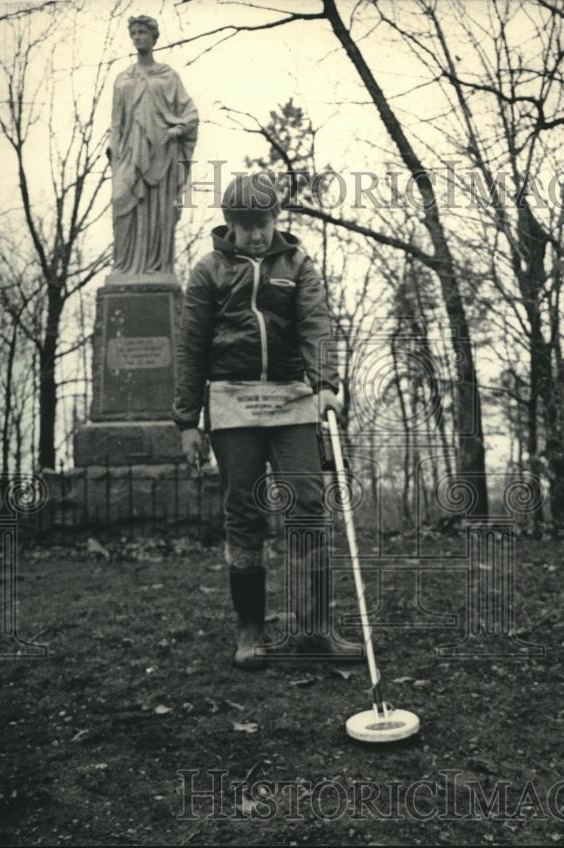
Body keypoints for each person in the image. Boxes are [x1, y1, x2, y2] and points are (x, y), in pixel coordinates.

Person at [173, 171, 362, 670]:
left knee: (307, 504)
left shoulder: (298, 264)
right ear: (230, 223)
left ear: (276, 219)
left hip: (291, 397)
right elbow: (191, 348)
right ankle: (251, 630)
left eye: (264, 222)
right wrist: (187, 421)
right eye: (245, 224)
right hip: (232, 401)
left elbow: (315, 323)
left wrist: (325, 383)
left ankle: (316, 627)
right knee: (245, 511)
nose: (256, 233)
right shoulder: (208, 271)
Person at [109, 15, 198, 276]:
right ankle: (124, 267)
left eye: (142, 32)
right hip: (128, 156)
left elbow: (191, 114)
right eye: (133, 32)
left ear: (153, 37)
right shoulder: (123, 79)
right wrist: (115, 152)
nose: (137, 37)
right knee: (121, 204)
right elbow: (116, 122)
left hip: (161, 156)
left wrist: (177, 129)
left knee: (160, 213)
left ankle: (157, 268)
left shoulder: (168, 76)